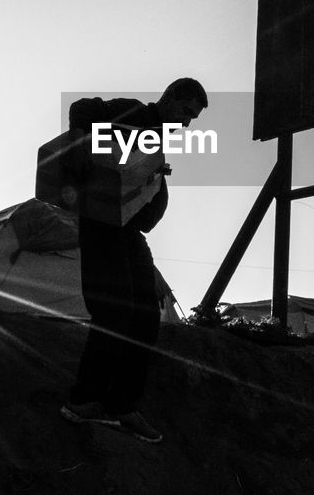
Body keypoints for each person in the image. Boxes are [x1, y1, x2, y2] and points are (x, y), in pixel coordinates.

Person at [59, 77, 207, 444]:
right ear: (171, 98)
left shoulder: (158, 142)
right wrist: (80, 138)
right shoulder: (134, 111)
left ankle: (121, 406)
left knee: (144, 316)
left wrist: (156, 183)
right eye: (186, 112)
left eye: (193, 119)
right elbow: (84, 107)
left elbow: (143, 203)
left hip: (129, 232)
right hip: (100, 222)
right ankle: (83, 401)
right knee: (114, 311)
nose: (187, 124)